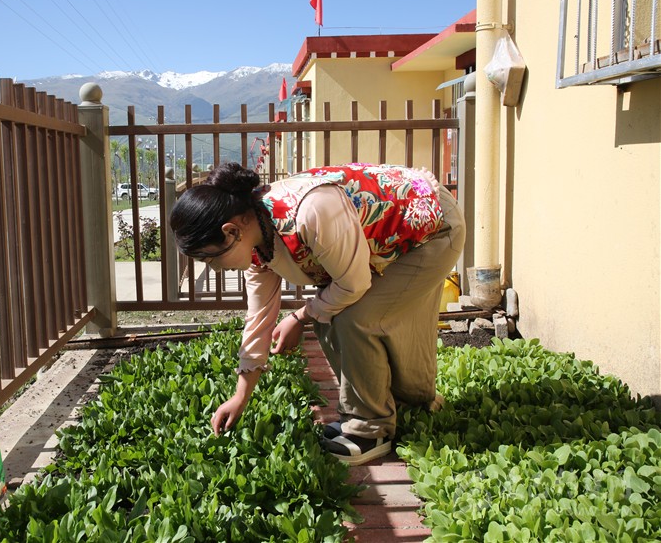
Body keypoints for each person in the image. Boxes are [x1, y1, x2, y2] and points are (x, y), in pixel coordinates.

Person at [169, 162, 465, 465]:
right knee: (331, 316)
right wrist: (240, 397)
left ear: (231, 231)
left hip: (434, 226)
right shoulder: (258, 243)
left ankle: (370, 429)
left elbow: (353, 285)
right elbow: (258, 322)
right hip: (390, 239)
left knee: (355, 319)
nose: (215, 269)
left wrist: (300, 317)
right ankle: (396, 408)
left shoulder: (311, 212)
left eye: (210, 258)